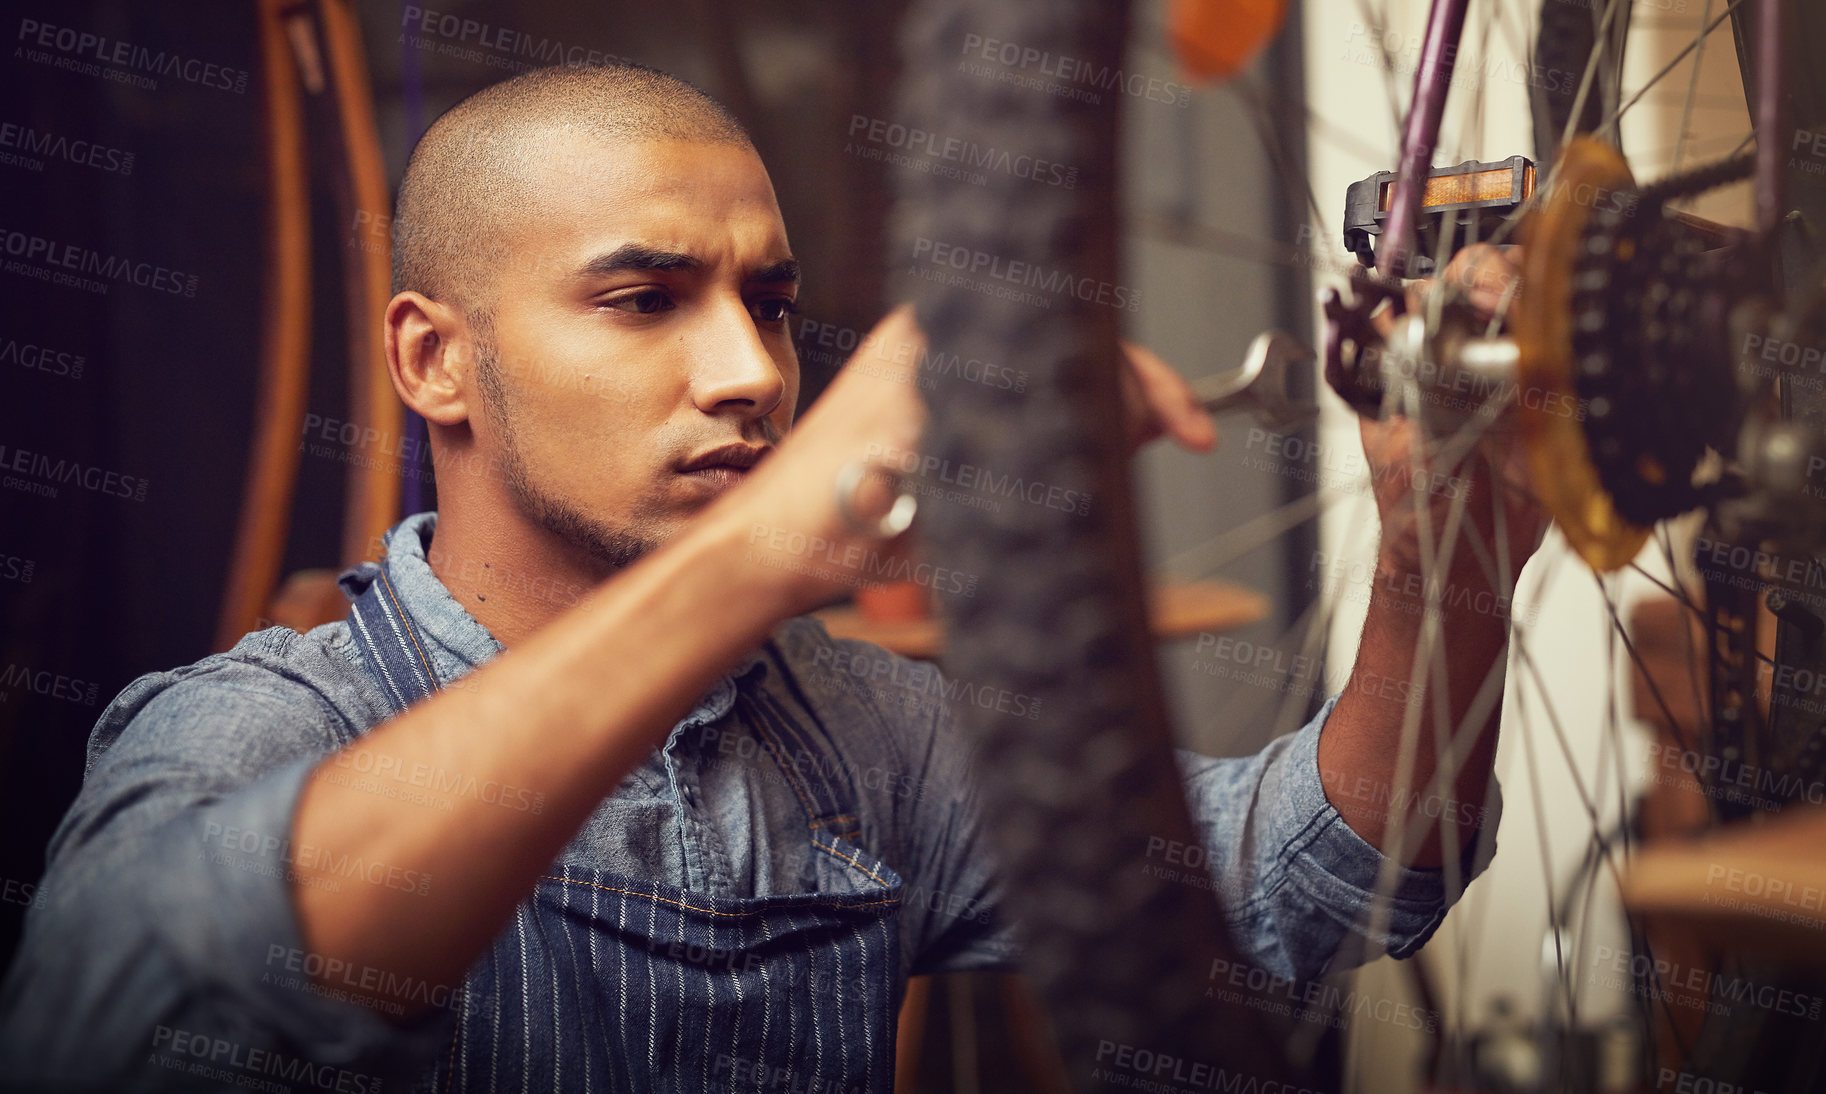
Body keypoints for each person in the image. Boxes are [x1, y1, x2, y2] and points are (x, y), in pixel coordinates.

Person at [0, 62, 1538, 1091]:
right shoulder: (254, 720)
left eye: (772, 303)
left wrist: (1442, 547)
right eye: (644, 299)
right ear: (432, 359)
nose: (749, 371)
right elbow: (116, 1025)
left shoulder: (866, 731)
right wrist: (754, 551)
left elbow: (1311, 890)